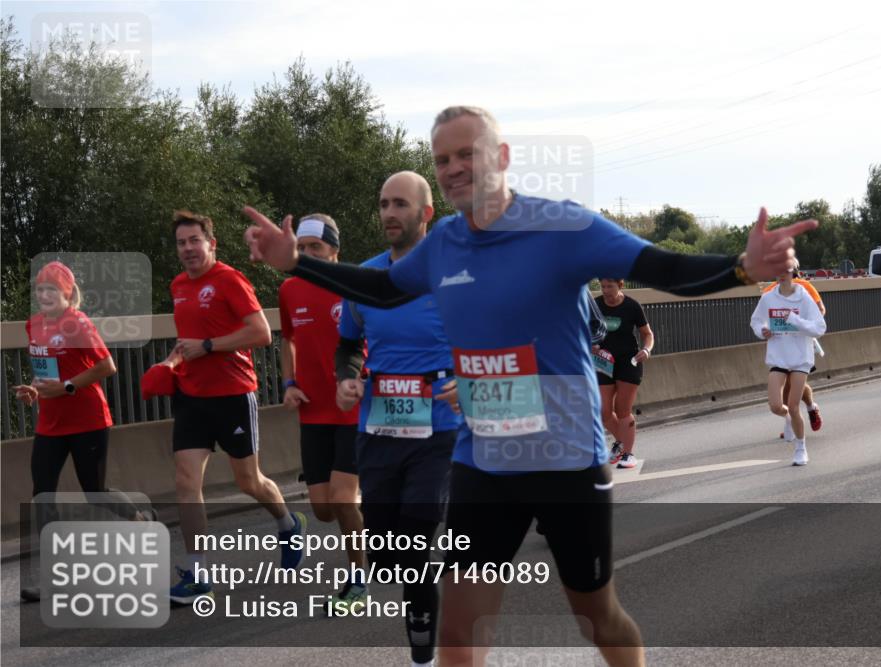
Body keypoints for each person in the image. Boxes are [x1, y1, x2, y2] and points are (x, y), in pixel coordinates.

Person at [244, 105, 816, 667]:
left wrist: (741, 267)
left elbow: (661, 267)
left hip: (565, 459)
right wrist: (297, 263)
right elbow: (383, 289)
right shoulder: (444, 243)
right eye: (443, 160)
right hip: (482, 459)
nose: (454, 168)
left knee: (597, 616)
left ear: (502, 157)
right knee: (459, 633)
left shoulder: (562, 227)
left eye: (467, 154)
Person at [332, 171, 461, 667]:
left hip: (438, 429)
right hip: (379, 426)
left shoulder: (454, 277)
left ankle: (423, 652)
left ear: (426, 214)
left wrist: (469, 380)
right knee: (388, 558)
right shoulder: (365, 278)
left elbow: (493, 336)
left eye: (400, 204)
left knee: (416, 543)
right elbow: (348, 344)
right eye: (384, 203)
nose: (389, 213)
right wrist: (347, 378)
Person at [168, 210, 305, 605]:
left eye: (195, 241)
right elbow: (190, 339)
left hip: (233, 395)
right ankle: (198, 574)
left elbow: (261, 333)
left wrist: (209, 346)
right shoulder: (178, 285)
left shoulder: (229, 280)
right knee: (186, 482)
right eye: (181, 243)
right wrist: (173, 361)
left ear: (211, 244)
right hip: (192, 397)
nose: (188, 249)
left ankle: (288, 523)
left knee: (249, 481)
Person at [15, 261, 154, 603]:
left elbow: (107, 366)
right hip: (50, 424)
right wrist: (35, 388)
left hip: (88, 420)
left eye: (51, 289)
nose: (44, 295)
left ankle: (139, 520)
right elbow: (46, 370)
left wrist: (67, 387)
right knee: (42, 494)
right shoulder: (34, 325)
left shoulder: (77, 323)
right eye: (40, 289)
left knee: (95, 492)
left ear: (66, 292)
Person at [278, 214, 366, 610]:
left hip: (352, 409)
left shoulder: (354, 287)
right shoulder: (289, 289)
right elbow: (288, 339)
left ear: (334, 250)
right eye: (302, 248)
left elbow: (375, 340)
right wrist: (289, 383)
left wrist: (362, 379)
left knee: (343, 499)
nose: (308, 254)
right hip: (313, 411)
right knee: (324, 510)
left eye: (316, 247)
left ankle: (358, 580)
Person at [751, 266, 827, 466]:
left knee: (793, 406)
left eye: (786, 270)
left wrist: (795, 320)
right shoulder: (768, 297)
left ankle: (801, 449)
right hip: (778, 356)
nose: (782, 274)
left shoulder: (804, 295)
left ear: (794, 272)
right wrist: (763, 330)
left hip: (800, 357)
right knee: (776, 406)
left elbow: (820, 327)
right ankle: (788, 418)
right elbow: (756, 321)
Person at [594, 278, 653, 469]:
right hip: (603, 362)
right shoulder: (595, 305)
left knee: (622, 410)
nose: (605, 291)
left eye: (610, 286)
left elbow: (647, 334)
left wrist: (646, 349)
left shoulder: (632, 306)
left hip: (629, 362)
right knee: (603, 411)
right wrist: (591, 345)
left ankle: (628, 454)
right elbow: (583, 330)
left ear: (620, 286)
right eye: (602, 286)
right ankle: (621, 442)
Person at [761, 261, 825, 432]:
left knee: (792, 383)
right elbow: (764, 318)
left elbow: (820, 310)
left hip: (800, 344)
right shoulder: (769, 292)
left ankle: (809, 408)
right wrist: (765, 329)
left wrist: (802, 324)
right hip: (780, 345)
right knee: (785, 383)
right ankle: (791, 421)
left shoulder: (805, 287)